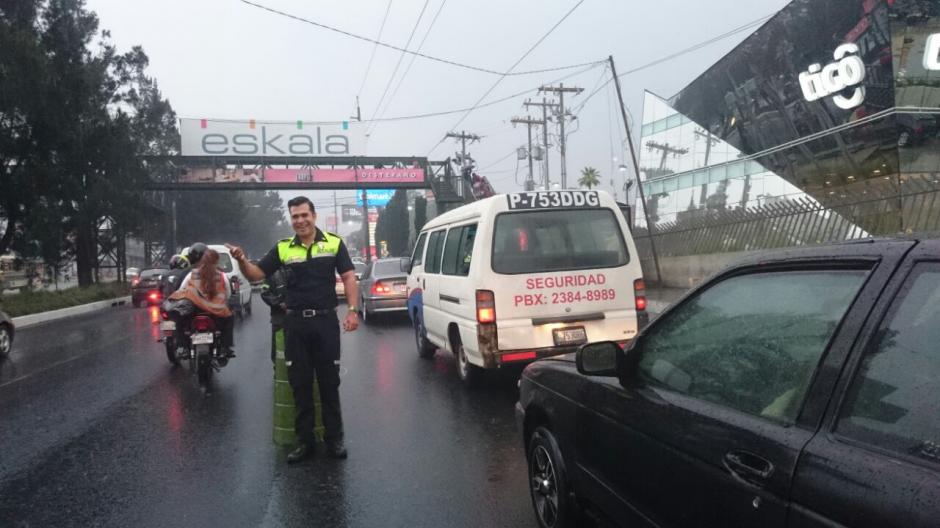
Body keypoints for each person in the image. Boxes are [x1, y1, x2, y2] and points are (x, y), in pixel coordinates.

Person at [226, 196, 360, 463]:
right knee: (299, 384)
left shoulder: (333, 243)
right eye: (295, 216)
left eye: (304, 215)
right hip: (295, 323)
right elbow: (256, 275)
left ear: (313, 216)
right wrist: (241, 260)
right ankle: (304, 442)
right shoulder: (283, 248)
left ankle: (335, 439)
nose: (300, 221)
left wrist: (353, 311)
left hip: (325, 323)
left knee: (329, 383)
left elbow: (348, 277)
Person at [171, 247, 235, 357]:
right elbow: (228, 294)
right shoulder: (222, 276)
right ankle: (225, 348)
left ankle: (183, 347)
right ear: (216, 261)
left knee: (179, 322)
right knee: (229, 319)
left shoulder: (191, 274)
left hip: (194, 312)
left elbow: (181, 290)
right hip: (216, 313)